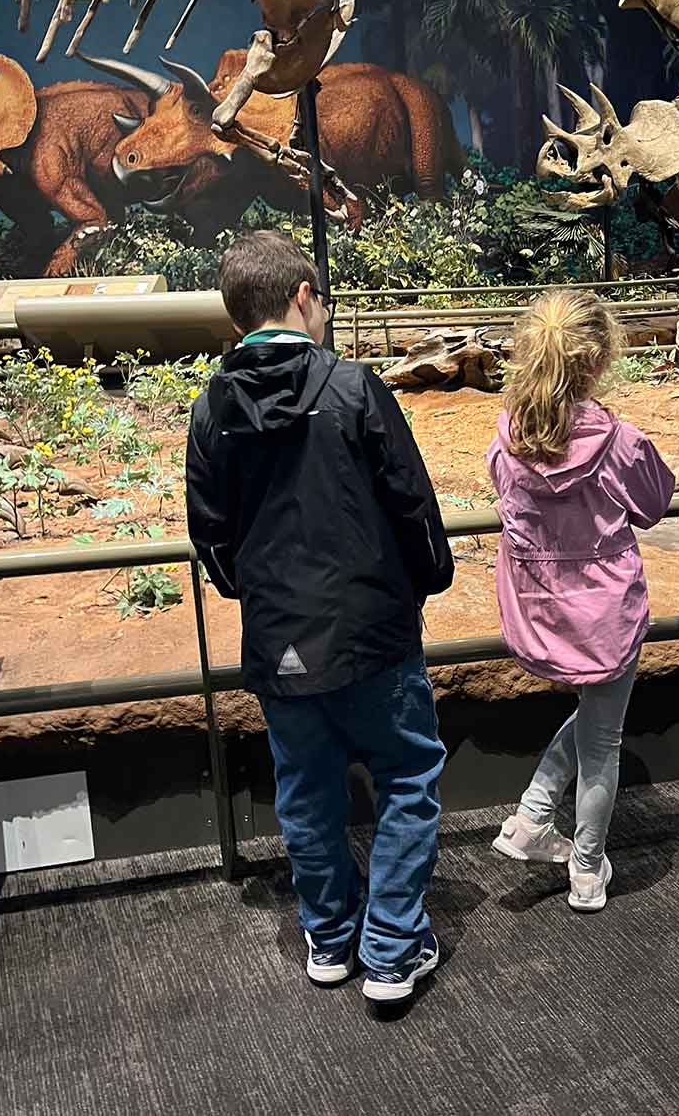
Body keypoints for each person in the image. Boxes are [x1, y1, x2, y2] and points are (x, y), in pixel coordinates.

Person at [185, 230, 454, 1003]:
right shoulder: (353, 387)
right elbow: (413, 504)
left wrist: (264, 599)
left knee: (306, 792)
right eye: (323, 301)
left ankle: (330, 940)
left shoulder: (211, 408)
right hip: (374, 636)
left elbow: (213, 537)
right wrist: (425, 580)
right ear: (303, 296)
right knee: (407, 776)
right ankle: (396, 949)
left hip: (280, 643)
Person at [487, 289, 676, 912]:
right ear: (597, 363)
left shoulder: (507, 438)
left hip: (540, 608)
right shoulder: (617, 441)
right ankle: (587, 868)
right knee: (604, 740)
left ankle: (531, 818)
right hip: (605, 615)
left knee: (595, 716)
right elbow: (653, 503)